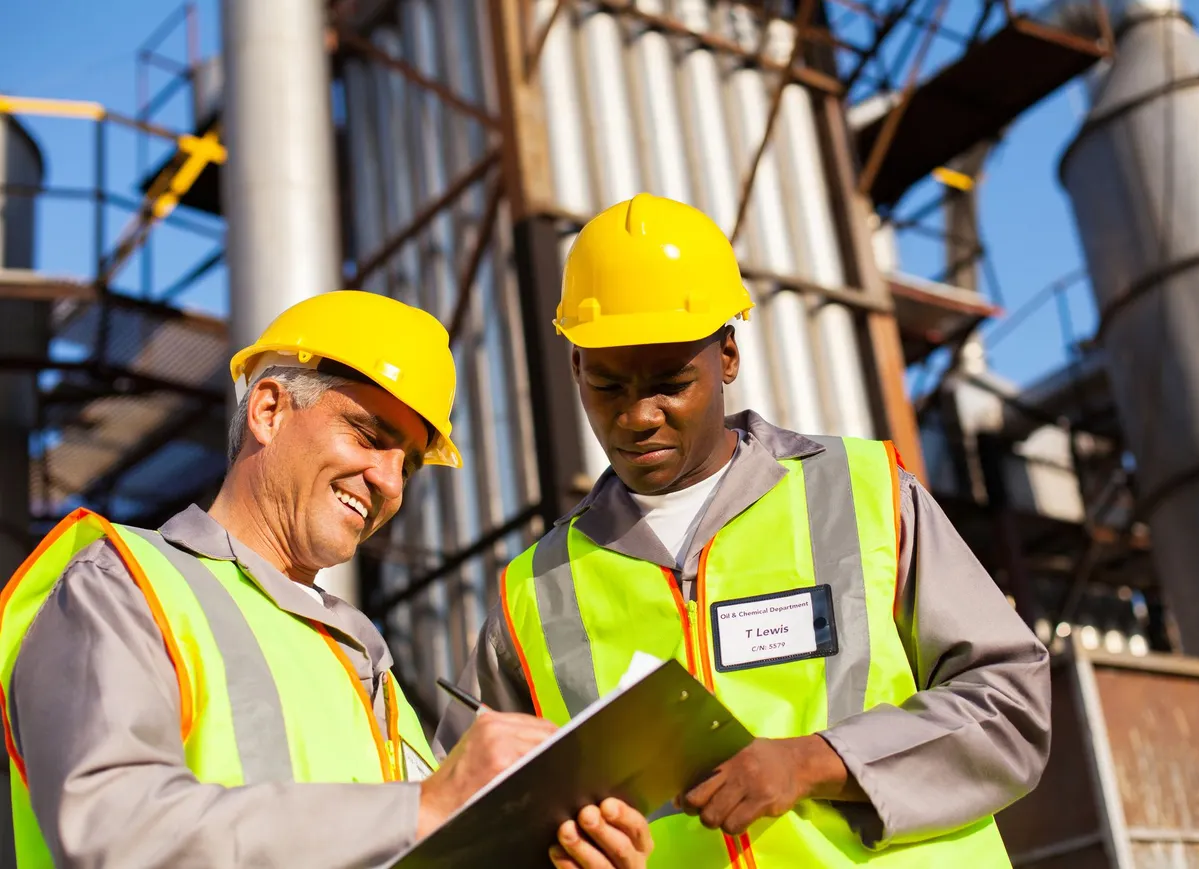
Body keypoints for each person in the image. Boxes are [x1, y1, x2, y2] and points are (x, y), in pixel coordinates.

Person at [436, 194, 1051, 867]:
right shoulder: (534, 591)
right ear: (577, 368)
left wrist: (817, 761)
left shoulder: (862, 491)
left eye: (671, 382)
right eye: (610, 387)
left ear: (727, 354)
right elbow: (461, 829)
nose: (639, 416)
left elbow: (1011, 705)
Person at [0, 291, 653, 869]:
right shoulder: (123, 584)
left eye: (410, 465)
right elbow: (114, 835)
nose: (390, 484)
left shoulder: (368, 674)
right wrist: (419, 806)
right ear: (269, 409)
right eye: (368, 435)